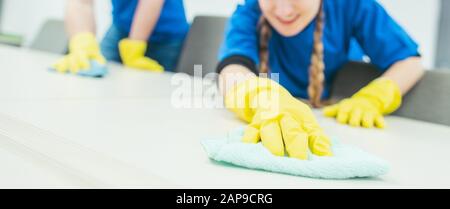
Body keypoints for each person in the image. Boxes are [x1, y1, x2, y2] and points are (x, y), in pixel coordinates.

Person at [217, 0, 424, 159]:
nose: (283, 10)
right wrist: (262, 98)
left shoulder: (351, 5)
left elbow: (410, 62)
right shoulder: (250, 10)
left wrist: (373, 98)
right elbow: (233, 69)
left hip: (342, 130)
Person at [53, 0, 189, 76]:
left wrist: (136, 44)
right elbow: (81, 2)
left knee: (150, 90)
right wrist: (81, 42)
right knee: (94, 71)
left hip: (165, 34)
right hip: (121, 27)